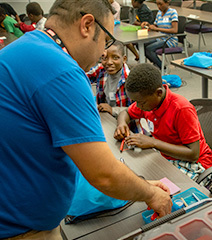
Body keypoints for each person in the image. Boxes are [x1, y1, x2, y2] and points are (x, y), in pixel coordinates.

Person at [0, 0, 172, 238]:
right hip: (19, 230)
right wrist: (152, 194)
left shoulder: (25, 47)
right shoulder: (62, 71)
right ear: (87, 25)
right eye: (106, 40)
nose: (104, 52)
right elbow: (104, 174)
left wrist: (141, 184)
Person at [114, 63, 212, 183]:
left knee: (160, 190)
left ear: (159, 93)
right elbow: (126, 113)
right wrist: (121, 124)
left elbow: (193, 154)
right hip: (166, 156)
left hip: (196, 164)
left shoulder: (181, 109)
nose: (138, 106)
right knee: (135, 178)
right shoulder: (148, 102)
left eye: (141, 102)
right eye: (135, 102)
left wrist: (153, 143)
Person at [87, 41, 132, 117]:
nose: (109, 62)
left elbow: (138, 109)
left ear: (124, 59)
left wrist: (112, 110)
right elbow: (80, 76)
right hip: (105, 118)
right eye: (105, 58)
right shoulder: (101, 70)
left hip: (127, 124)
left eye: (115, 57)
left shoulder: (130, 79)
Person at [141, 0, 178, 69]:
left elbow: (175, 30)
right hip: (160, 38)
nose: (159, 7)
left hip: (169, 40)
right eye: (157, 4)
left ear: (167, 3)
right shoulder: (159, 13)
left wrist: (157, 29)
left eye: (161, 4)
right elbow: (155, 26)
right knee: (141, 44)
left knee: (149, 49)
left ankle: (162, 68)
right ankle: (156, 62)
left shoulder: (172, 12)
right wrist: (148, 24)